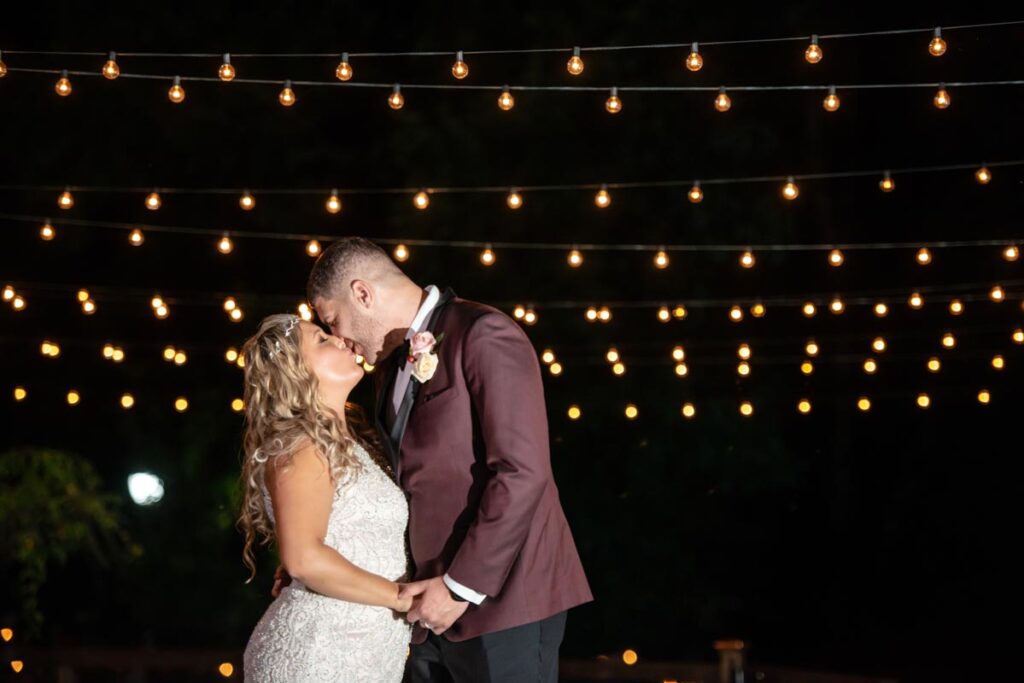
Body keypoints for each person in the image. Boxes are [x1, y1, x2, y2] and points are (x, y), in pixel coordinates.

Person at [302, 236, 593, 682]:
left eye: (333, 320)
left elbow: (522, 472)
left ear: (362, 293)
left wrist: (460, 587)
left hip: (503, 603)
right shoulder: (387, 370)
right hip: (426, 613)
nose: (341, 340)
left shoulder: (482, 332)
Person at [239, 313, 413, 682]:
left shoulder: (353, 443)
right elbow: (303, 558)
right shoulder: (302, 447)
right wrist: (400, 596)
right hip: (319, 652)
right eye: (321, 339)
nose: (339, 339)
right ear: (297, 373)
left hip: (364, 651)